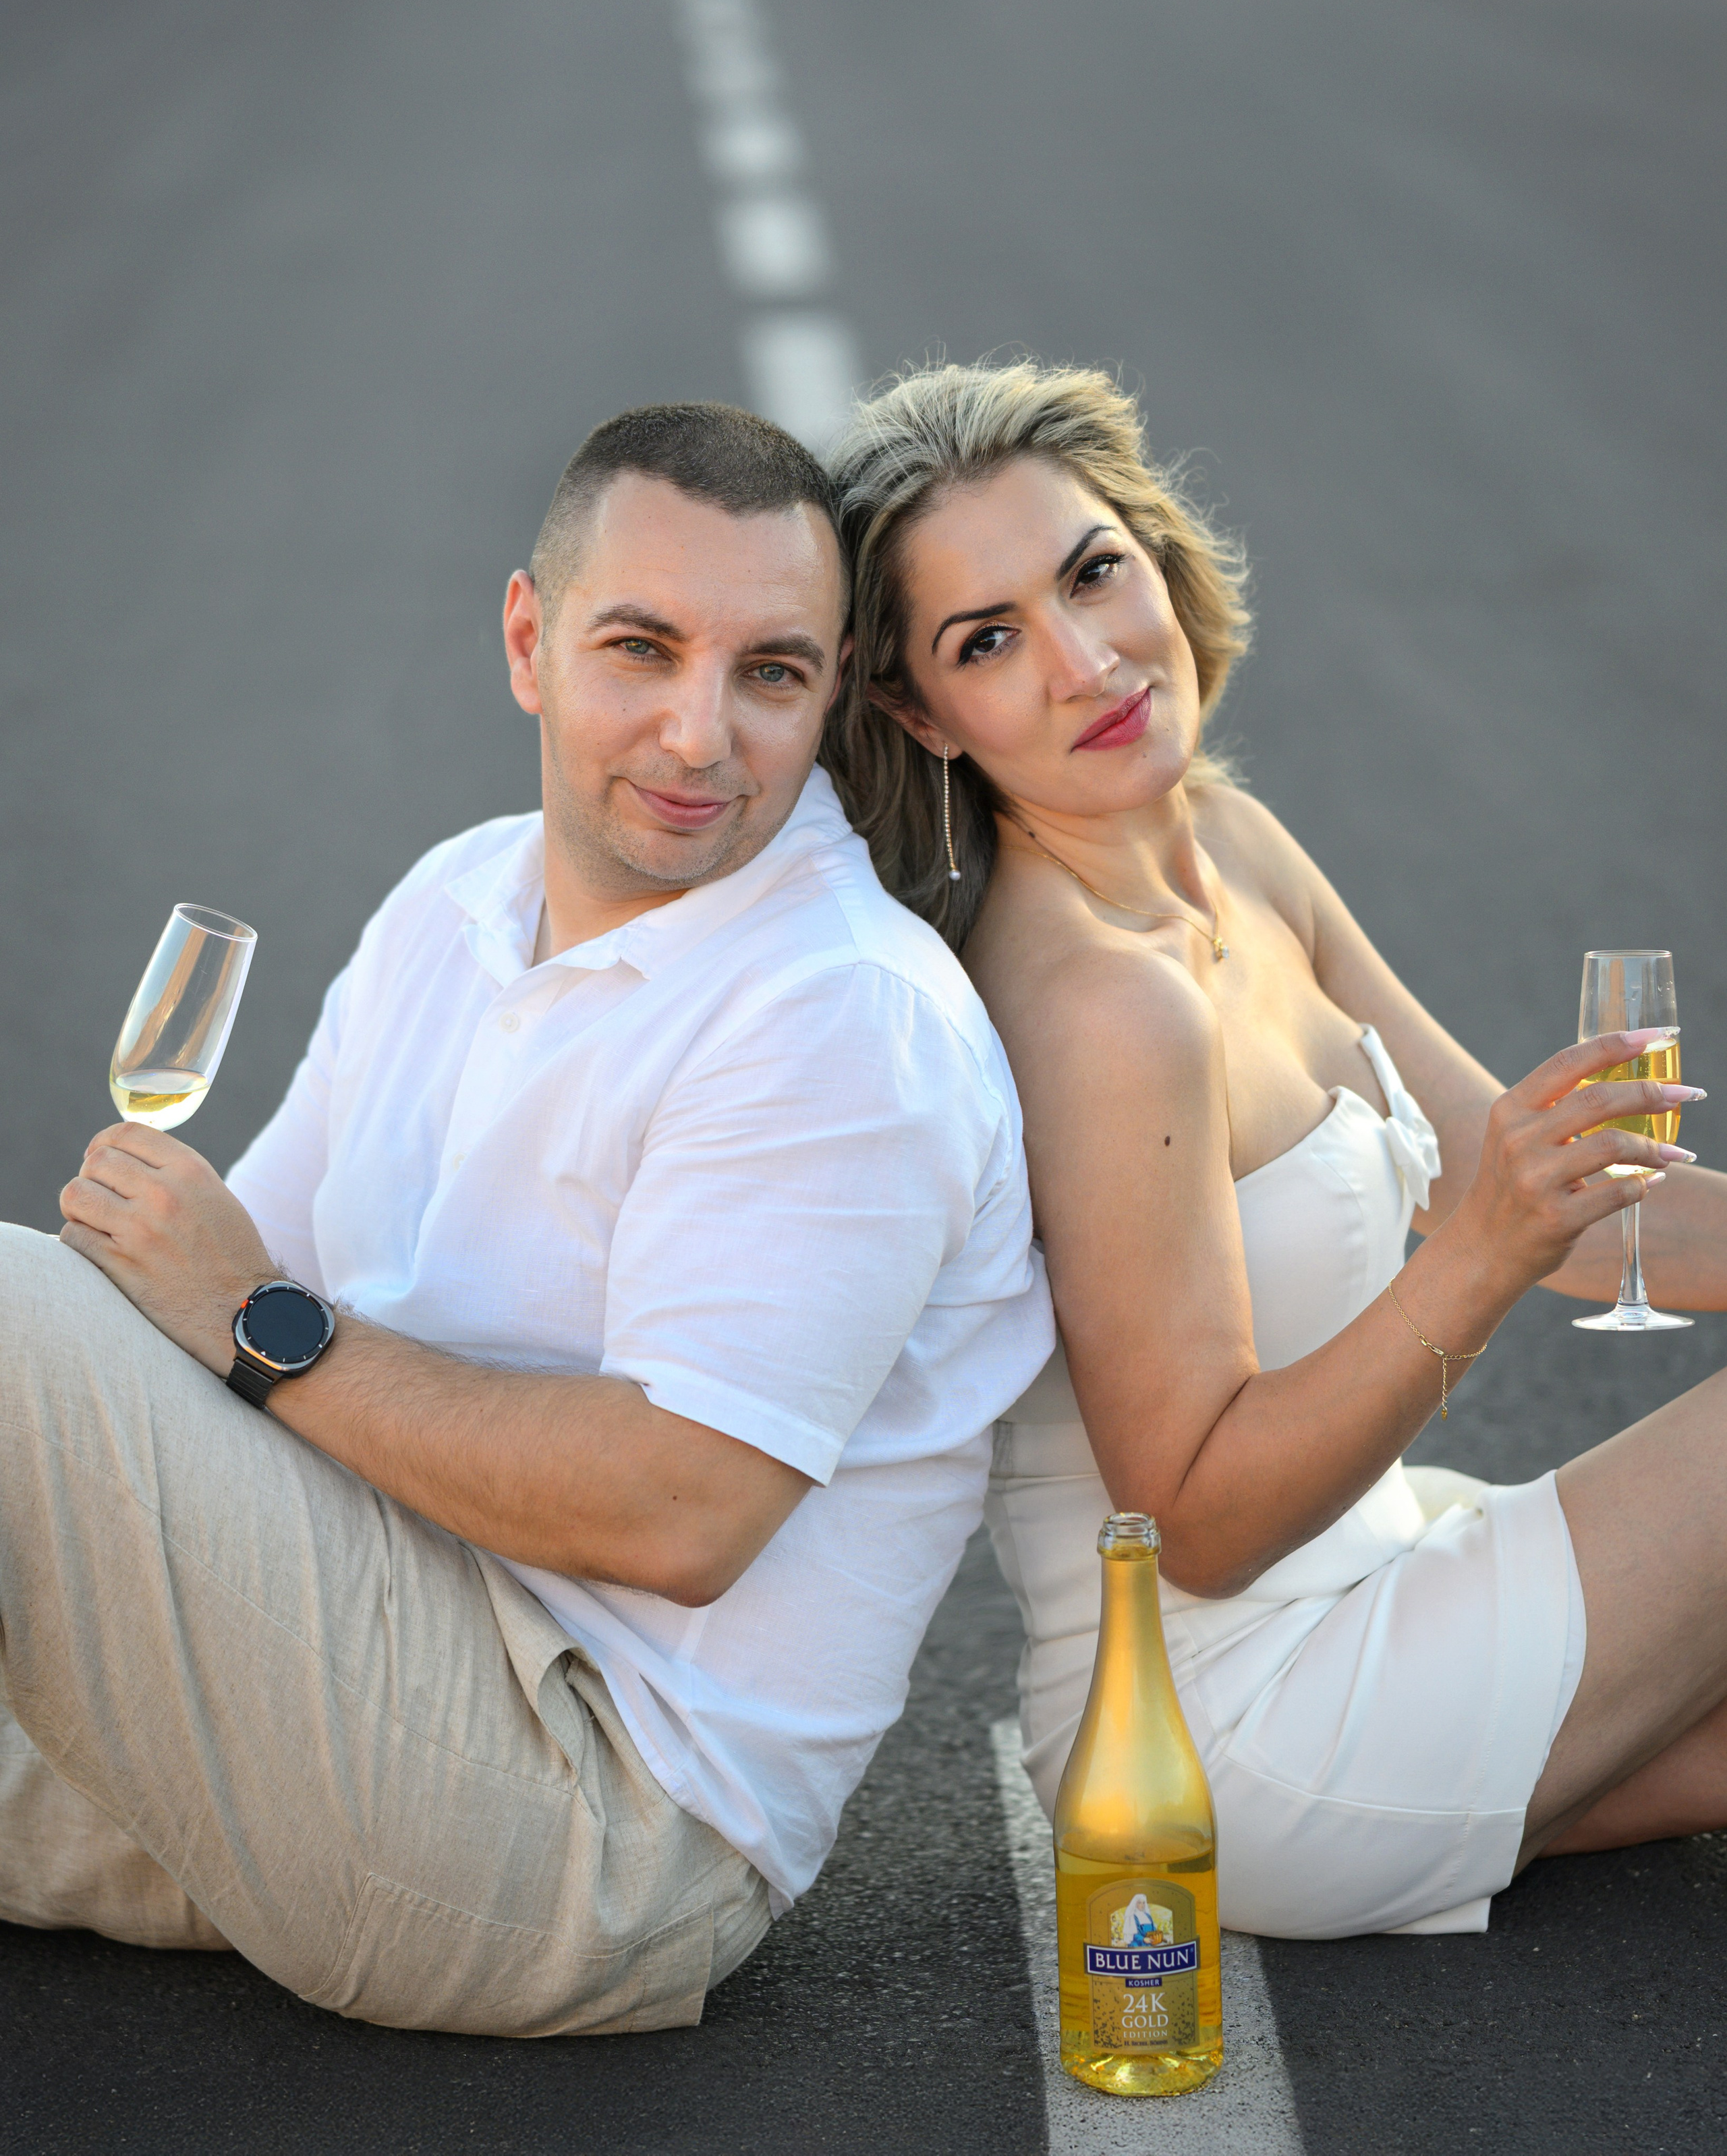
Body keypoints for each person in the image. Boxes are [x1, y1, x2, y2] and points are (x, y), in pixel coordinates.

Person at [0, 401, 1052, 2031]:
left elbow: (681, 1513)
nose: (699, 735)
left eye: (768, 672)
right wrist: (195, 1320)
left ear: (831, 688)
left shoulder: (838, 1015)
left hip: (598, 1822)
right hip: (359, 1662)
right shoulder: (454, 895)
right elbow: (179, 1303)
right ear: (527, 638)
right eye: (641, 648)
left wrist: (260, 1324)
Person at [819, 358, 1727, 1939]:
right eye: (988, 640)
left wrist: (1516, 1216)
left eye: (1092, 571)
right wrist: (1475, 1254)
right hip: (1237, 1718)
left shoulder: (1224, 841)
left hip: (1386, 1575)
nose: (1087, 658)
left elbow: (1576, 1206)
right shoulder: (1100, 1006)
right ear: (916, 709)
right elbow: (1203, 1520)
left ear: (1154, 556)